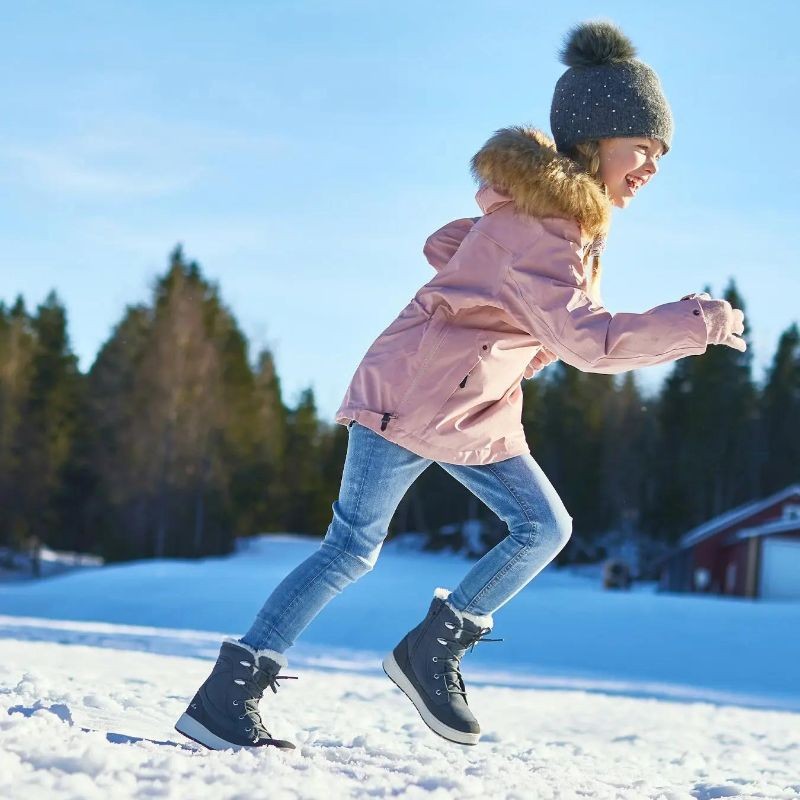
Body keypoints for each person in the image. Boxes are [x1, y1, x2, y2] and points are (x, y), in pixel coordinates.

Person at [174, 19, 746, 751]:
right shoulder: (545, 226)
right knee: (359, 546)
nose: (652, 167)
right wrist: (693, 322)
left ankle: (407, 654)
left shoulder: (560, 224)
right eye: (643, 148)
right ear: (596, 139)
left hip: (465, 403)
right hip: (416, 395)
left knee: (529, 528)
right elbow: (587, 341)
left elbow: (518, 315)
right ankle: (290, 680)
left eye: (661, 154)